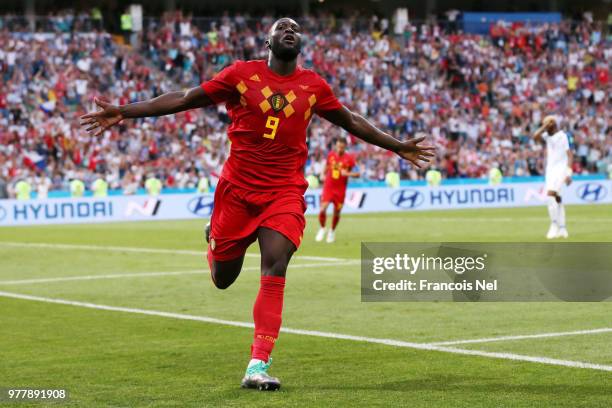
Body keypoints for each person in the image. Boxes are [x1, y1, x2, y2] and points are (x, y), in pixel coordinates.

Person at [80, 17, 434, 391]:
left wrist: (396, 145)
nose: (290, 31)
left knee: (276, 264)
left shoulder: (313, 86)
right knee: (223, 278)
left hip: (284, 192)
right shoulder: (241, 75)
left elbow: (350, 120)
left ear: (301, 43)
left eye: (295, 29)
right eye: (282, 27)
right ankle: (213, 238)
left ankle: (257, 363)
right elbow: (186, 98)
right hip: (237, 191)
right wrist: (126, 110)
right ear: (268, 40)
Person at [533, 115, 572, 239]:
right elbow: (535, 136)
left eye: (547, 125)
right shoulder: (547, 136)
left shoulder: (563, 136)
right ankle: (563, 228)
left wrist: (569, 173)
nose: (545, 129)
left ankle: (554, 225)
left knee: (550, 195)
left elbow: (570, 155)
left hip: (561, 170)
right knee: (558, 198)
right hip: (550, 171)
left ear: (553, 125)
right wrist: (544, 126)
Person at [316, 137, 358, 243]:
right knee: (322, 209)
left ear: (345, 147)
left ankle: (332, 231)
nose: (339, 149)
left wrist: (347, 173)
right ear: (336, 146)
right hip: (328, 187)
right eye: (338, 146)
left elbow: (358, 174)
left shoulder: (350, 159)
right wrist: (322, 174)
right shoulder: (331, 155)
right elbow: (326, 166)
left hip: (340, 190)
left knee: (337, 212)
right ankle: (322, 228)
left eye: (342, 147)